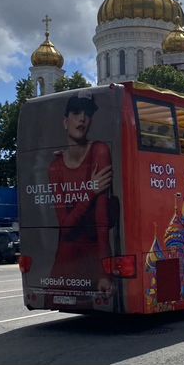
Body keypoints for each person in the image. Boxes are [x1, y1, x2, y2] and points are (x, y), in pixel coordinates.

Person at [48, 92, 113, 295]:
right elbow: (65, 228)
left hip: (94, 260)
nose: (82, 118)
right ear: (65, 121)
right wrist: (90, 191)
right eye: (76, 113)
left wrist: (105, 272)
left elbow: (102, 223)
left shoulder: (99, 151)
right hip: (64, 263)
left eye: (87, 114)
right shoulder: (55, 167)